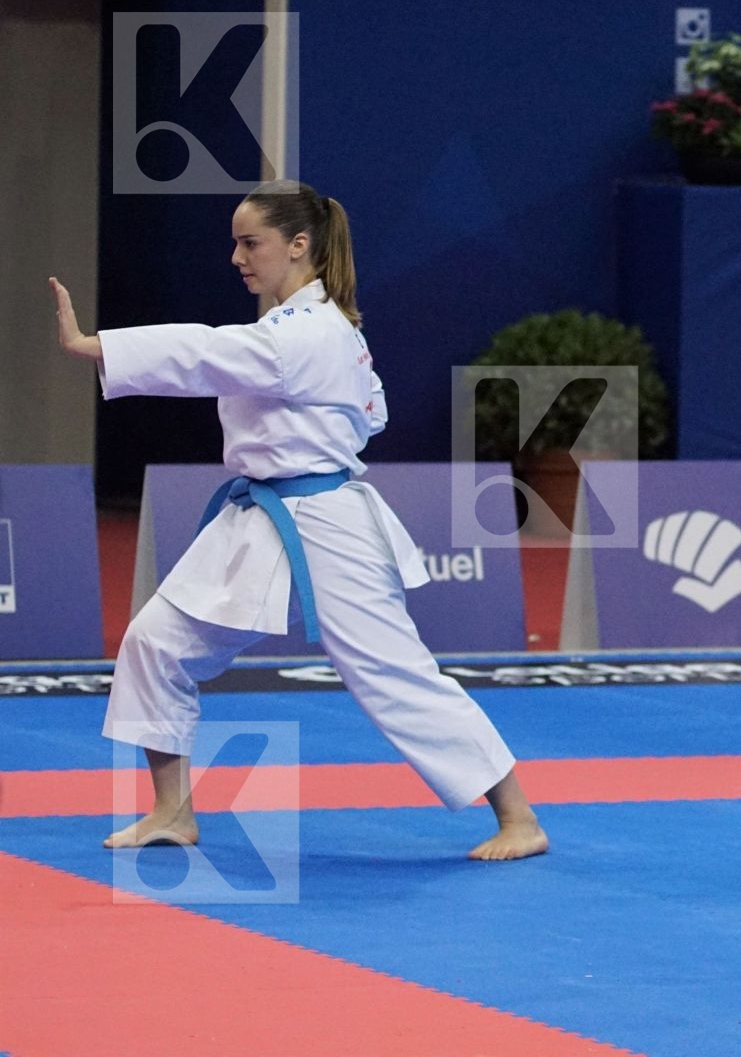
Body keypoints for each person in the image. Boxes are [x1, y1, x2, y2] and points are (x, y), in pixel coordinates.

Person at [48, 181, 549, 862]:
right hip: (261, 516)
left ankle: (519, 817)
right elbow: (373, 412)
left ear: (298, 244)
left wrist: (96, 346)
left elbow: (205, 352)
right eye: (236, 243)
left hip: (326, 523)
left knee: (392, 672)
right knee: (155, 643)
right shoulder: (319, 327)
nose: (237, 257)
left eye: (250, 243)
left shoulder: (307, 332)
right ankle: (172, 812)